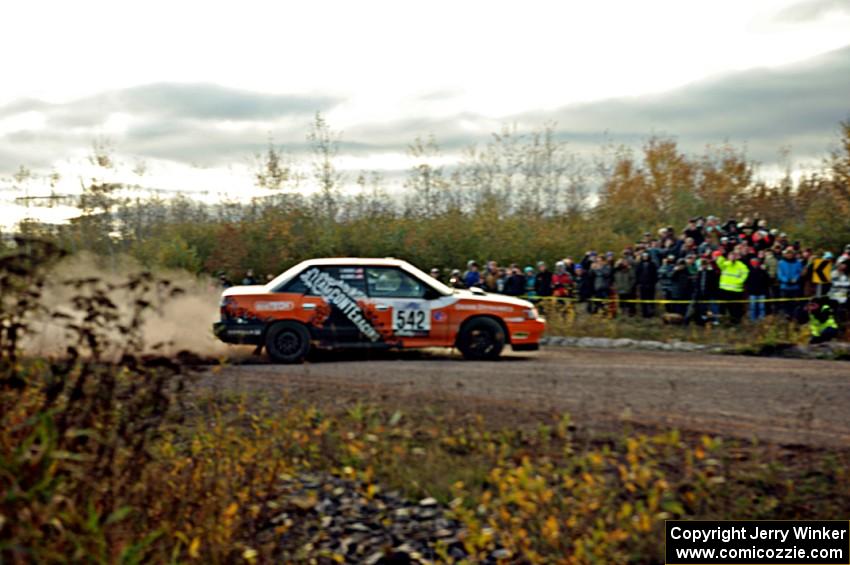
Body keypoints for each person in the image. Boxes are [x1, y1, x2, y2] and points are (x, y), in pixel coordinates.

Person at [715, 250, 749, 324]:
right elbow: (719, 262)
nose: (732, 257)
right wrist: (721, 255)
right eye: (730, 255)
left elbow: (746, 273)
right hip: (724, 289)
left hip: (736, 290)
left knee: (735, 308)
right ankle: (723, 322)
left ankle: (735, 322)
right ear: (728, 257)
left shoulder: (741, 265)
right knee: (723, 307)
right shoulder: (725, 264)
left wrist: (739, 281)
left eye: (733, 255)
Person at [777, 247, 804, 319]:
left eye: (791, 253)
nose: (789, 255)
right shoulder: (781, 263)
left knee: (795, 304)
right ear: (785, 254)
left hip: (795, 287)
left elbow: (800, 272)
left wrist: (795, 279)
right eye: (788, 253)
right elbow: (780, 274)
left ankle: (794, 317)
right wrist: (787, 280)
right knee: (784, 304)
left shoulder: (798, 263)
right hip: (785, 287)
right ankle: (786, 317)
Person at [634, 252, 658, 318]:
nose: (645, 257)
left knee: (651, 299)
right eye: (644, 256)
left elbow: (655, 275)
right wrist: (638, 283)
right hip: (642, 285)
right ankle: (644, 313)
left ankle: (651, 312)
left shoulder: (652, 264)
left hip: (651, 285)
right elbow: (637, 274)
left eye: (646, 256)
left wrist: (654, 282)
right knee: (643, 299)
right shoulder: (639, 265)